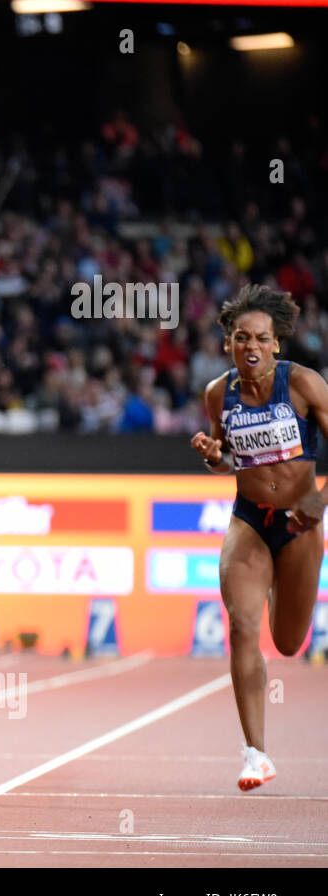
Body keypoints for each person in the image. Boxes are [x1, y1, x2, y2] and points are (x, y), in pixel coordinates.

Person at [190, 284, 327, 791]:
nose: (251, 345)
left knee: (289, 643)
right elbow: (227, 461)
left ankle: (279, 583)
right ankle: (256, 754)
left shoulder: (305, 385)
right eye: (241, 337)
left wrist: (318, 500)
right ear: (228, 343)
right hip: (249, 520)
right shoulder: (216, 393)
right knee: (243, 623)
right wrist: (213, 457)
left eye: (261, 338)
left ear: (276, 345)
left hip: (300, 525)